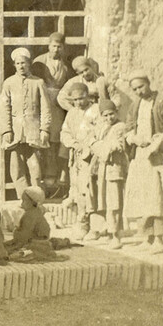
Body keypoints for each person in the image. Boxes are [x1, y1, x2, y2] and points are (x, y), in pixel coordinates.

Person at [123, 71, 163, 254]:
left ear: (148, 83)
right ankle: (147, 238)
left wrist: (158, 142)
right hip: (140, 157)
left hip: (157, 156)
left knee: (157, 198)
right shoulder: (134, 105)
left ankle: (159, 239)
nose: (138, 91)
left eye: (141, 86)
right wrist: (134, 139)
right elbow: (128, 129)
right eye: (135, 89)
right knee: (142, 198)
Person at [0, 47, 51, 199]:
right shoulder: (8, 83)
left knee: (35, 166)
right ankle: (23, 198)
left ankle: (37, 198)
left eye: (24, 63)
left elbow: (46, 108)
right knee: (16, 167)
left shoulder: (38, 83)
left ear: (29, 64)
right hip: (15, 131)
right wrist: (6, 130)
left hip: (33, 130)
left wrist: (44, 130)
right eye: (18, 63)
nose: (21, 66)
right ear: (14, 65)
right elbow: (4, 108)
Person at [32, 33, 72, 197]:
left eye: (59, 46)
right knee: (42, 142)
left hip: (58, 108)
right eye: (53, 46)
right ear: (48, 45)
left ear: (63, 47)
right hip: (42, 105)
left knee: (56, 143)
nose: (56, 49)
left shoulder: (66, 66)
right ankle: (40, 179)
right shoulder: (39, 62)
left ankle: (53, 179)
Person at [60, 83, 100, 240]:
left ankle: (96, 227)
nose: (79, 103)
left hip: (92, 157)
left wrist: (88, 145)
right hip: (77, 157)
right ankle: (82, 223)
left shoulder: (95, 111)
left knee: (91, 191)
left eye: (81, 99)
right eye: (75, 100)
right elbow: (65, 132)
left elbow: (100, 132)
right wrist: (73, 143)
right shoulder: (72, 113)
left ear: (87, 96)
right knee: (78, 191)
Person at [88, 99, 128, 249]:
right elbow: (90, 140)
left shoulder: (120, 127)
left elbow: (118, 146)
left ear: (116, 113)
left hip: (115, 169)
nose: (109, 118)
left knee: (114, 203)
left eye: (111, 114)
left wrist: (99, 146)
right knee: (105, 201)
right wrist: (97, 145)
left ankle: (116, 235)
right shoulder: (102, 127)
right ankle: (109, 232)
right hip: (103, 170)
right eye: (105, 115)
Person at [5, 187, 59, 262]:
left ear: (32, 202)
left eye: (24, 201)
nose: (21, 204)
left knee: (5, 250)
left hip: (35, 245)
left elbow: (23, 238)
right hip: (39, 243)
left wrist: (15, 229)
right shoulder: (35, 212)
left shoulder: (30, 215)